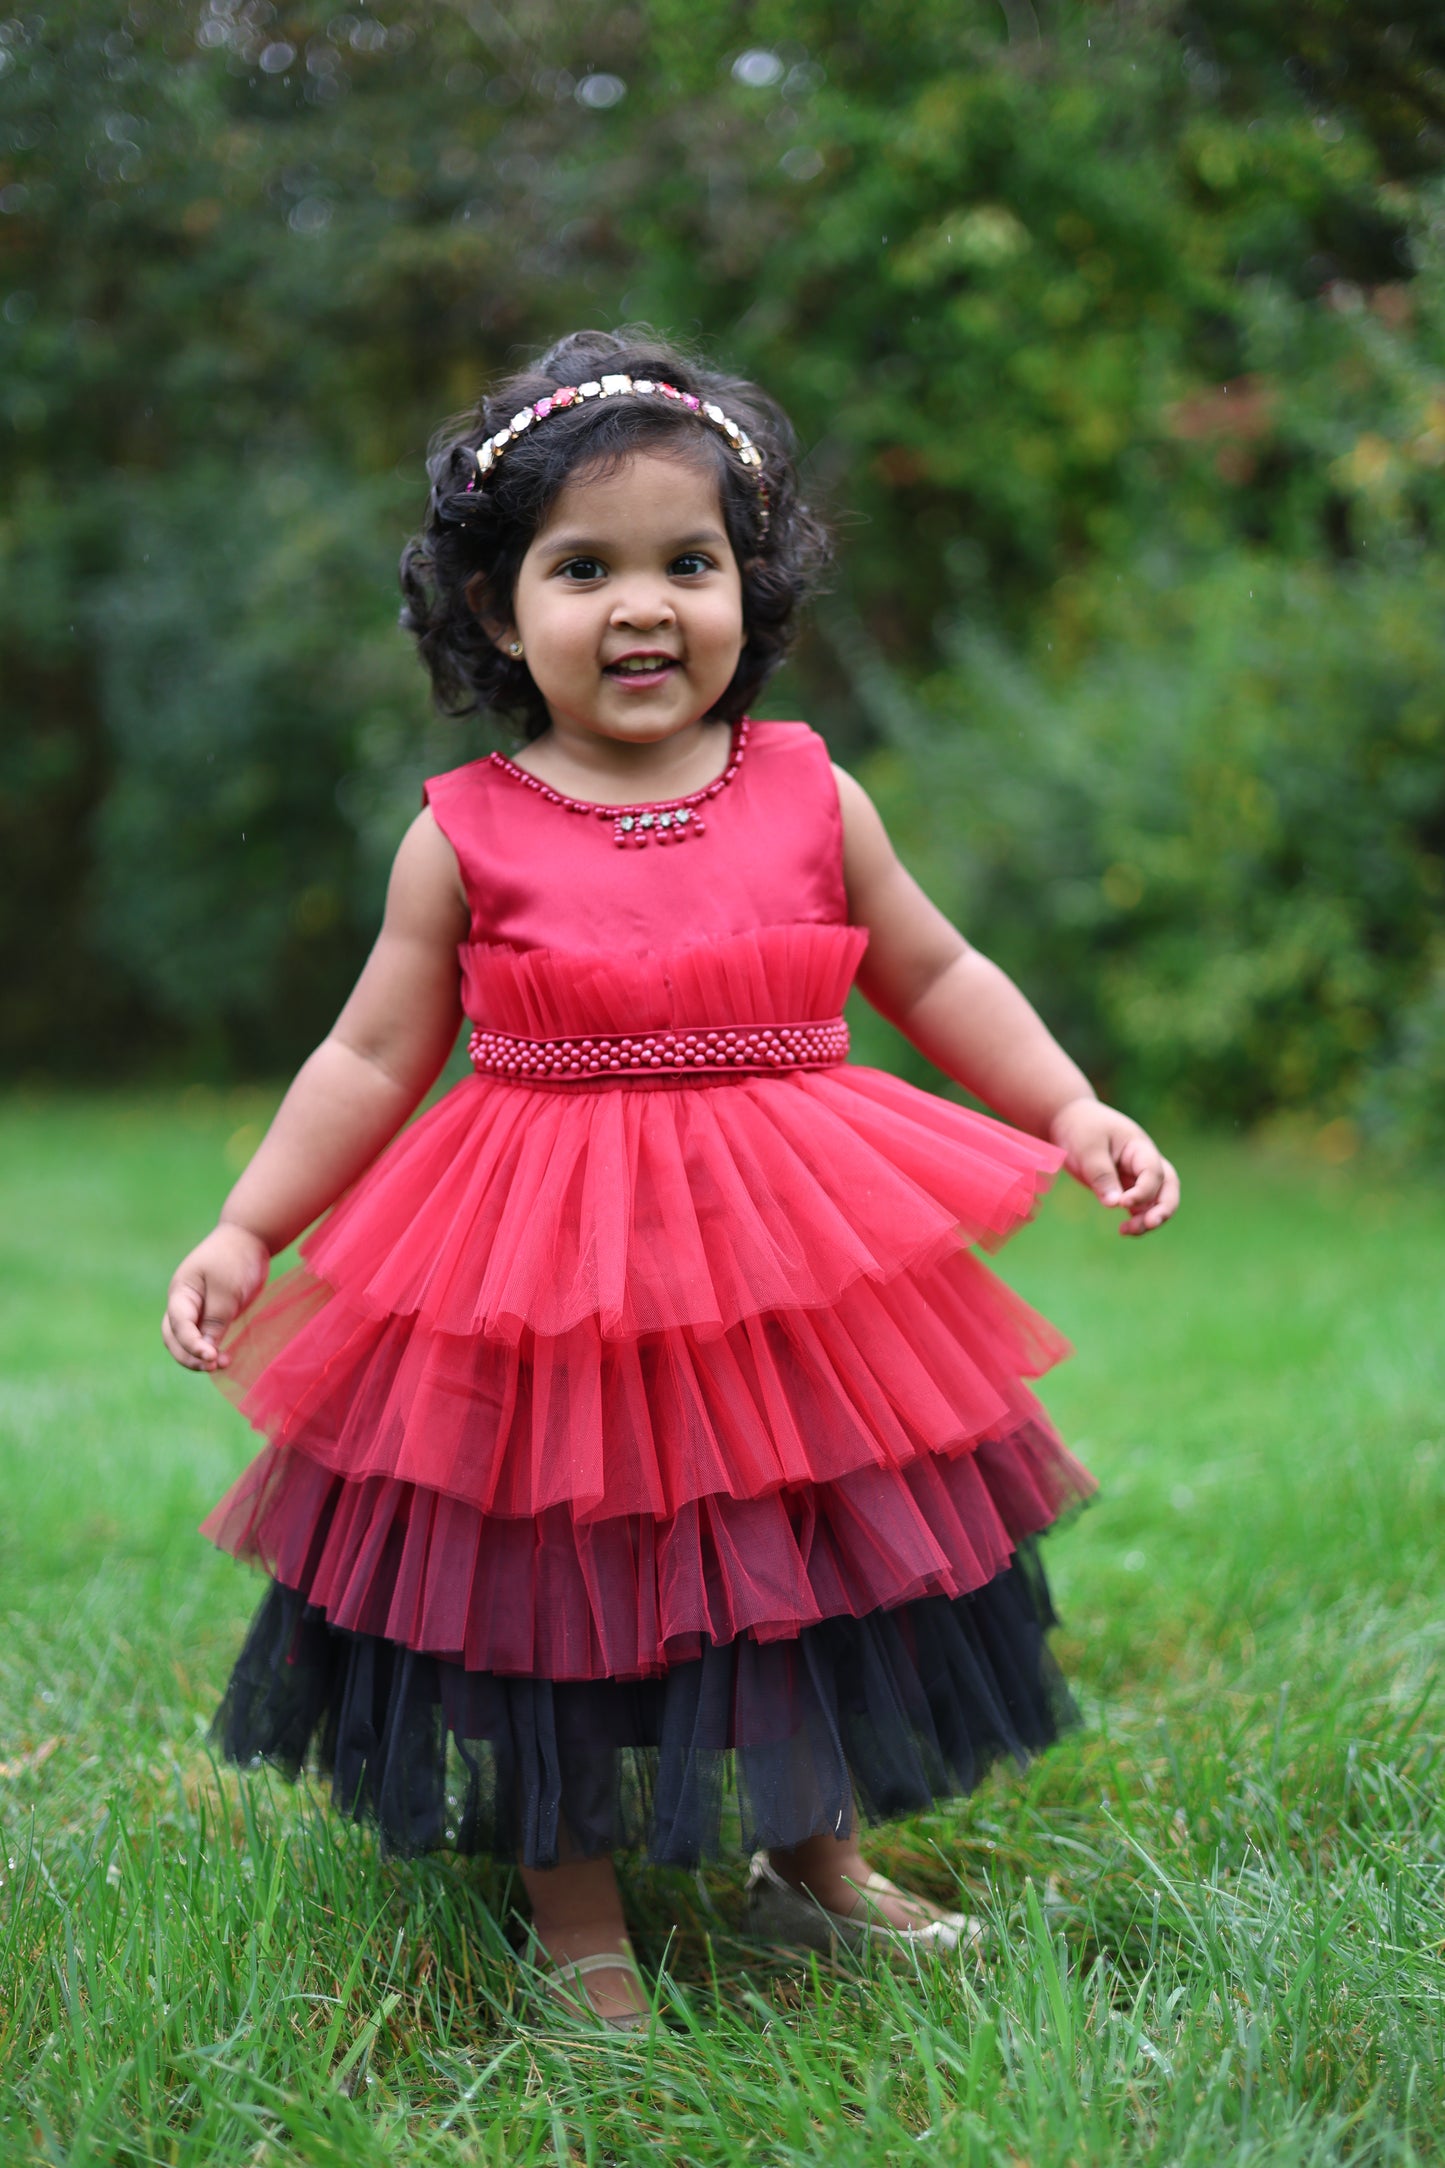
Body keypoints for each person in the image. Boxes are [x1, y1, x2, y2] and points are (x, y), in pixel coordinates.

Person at [163, 329, 1178, 2031]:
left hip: (781, 1263)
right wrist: (251, 1225)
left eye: (687, 563)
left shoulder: (801, 786)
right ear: (497, 610)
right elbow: (366, 1057)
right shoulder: (468, 830)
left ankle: (815, 1868)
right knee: (554, 1586)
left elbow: (932, 974)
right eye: (585, 568)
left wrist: (1068, 1106)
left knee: (801, 1557)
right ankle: (578, 1928)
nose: (643, 606)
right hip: (544, 1270)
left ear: (748, 586)